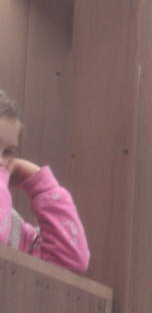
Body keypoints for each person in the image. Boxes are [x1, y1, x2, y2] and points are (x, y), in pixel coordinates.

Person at [0, 89, 90, 274]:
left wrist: (43, 188)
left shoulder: (13, 225)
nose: (1, 161)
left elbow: (70, 261)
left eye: (7, 152)